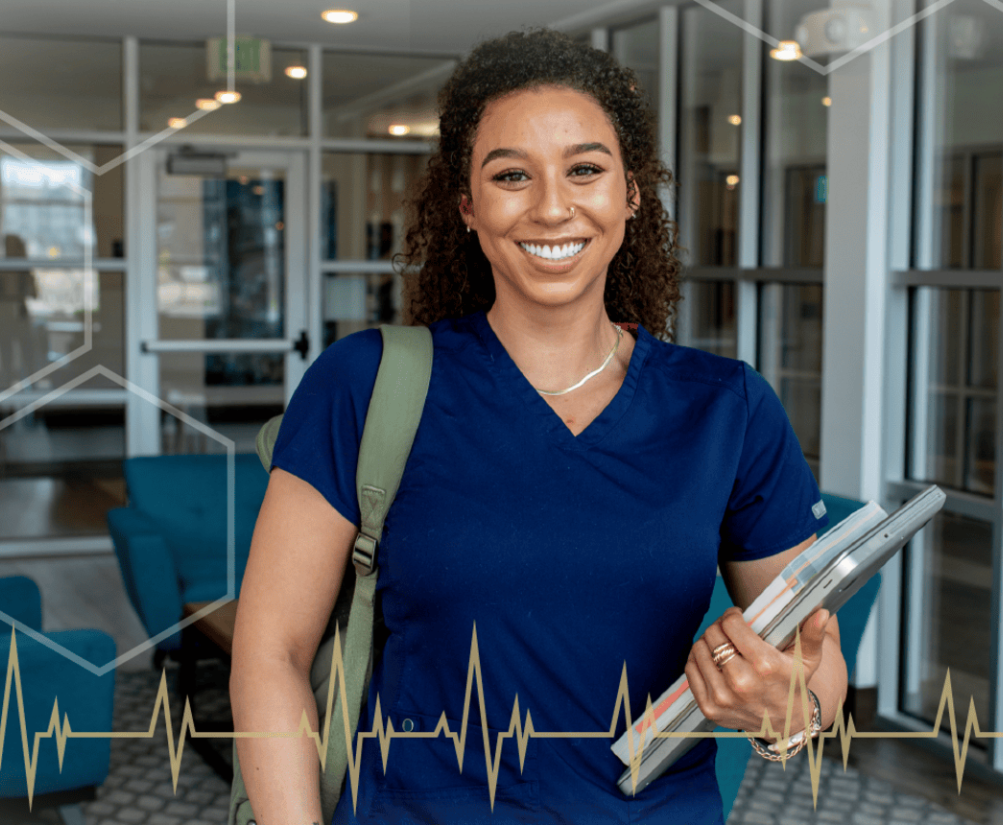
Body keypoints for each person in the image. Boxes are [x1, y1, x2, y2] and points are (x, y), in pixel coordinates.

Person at [230, 29, 844, 824]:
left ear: (630, 193)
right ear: (467, 206)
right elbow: (270, 650)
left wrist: (787, 706)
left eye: (585, 169)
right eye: (512, 175)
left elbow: (814, 670)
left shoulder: (726, 407)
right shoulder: (368, 383)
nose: (553, 205)